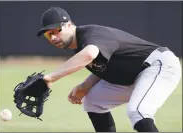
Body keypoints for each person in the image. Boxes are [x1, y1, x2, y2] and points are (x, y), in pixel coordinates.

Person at [37, 6, 181, 132]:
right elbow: (103, 66)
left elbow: (89, 54)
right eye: (49, 34)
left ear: (70, 25)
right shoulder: (80, 46)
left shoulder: (91, 34)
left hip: (158, 65)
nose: (54, 37)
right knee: (92, 101)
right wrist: (85, 86)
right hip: (136, 75)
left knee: (138, 111)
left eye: (58, 30)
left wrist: (50, 77)